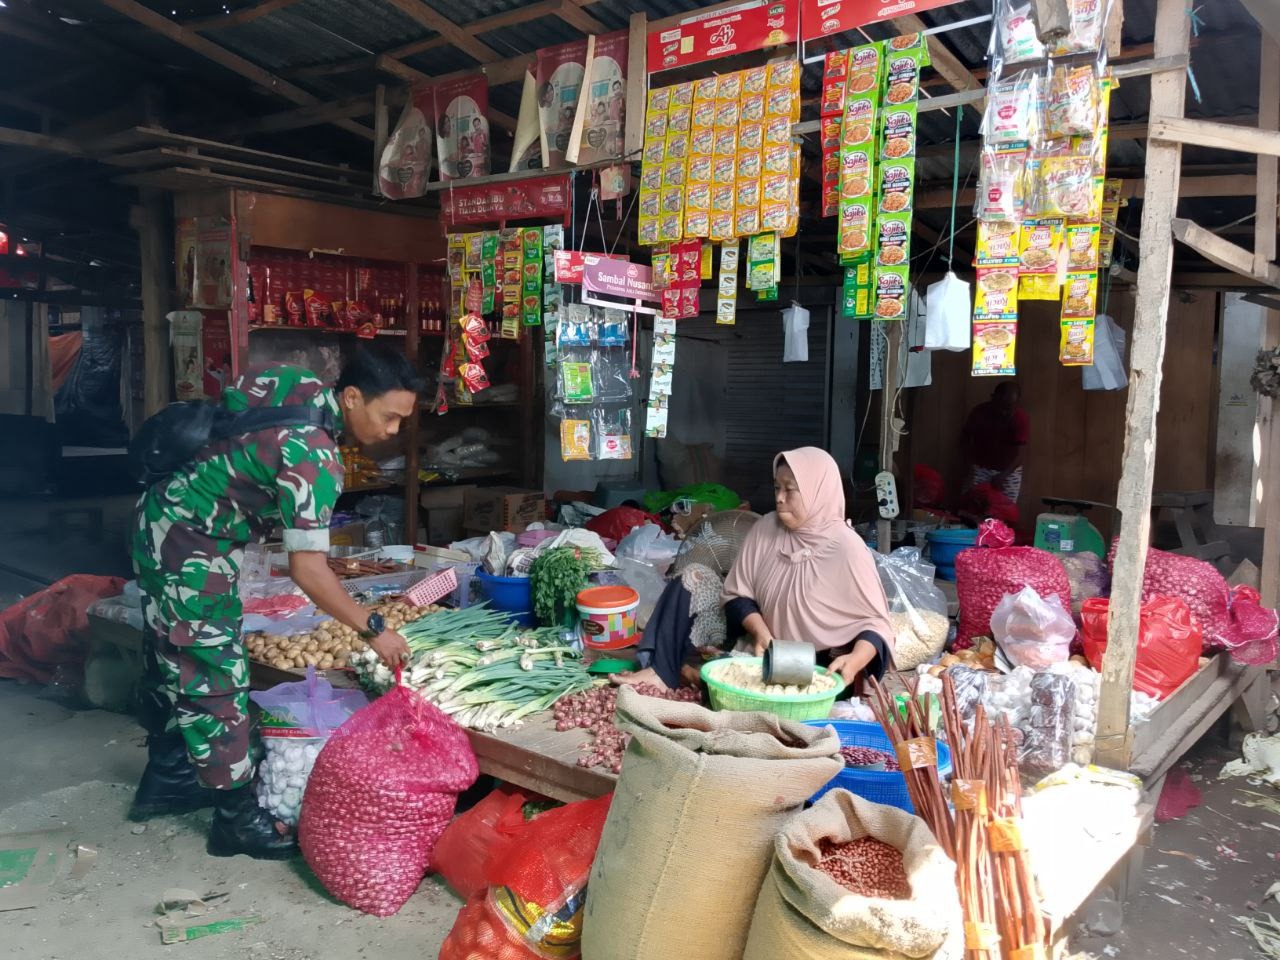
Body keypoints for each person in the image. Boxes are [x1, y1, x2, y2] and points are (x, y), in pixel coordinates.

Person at [129, 347, 421, 859]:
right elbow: (308, 570)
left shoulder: (294, 382)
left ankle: (168, 779)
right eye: (389, 416)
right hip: (192, 544)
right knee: (216, 673)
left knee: (172, 652)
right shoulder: (317, 459)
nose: (393, 430)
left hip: (159, 517)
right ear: (353, 398)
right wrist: (373, 628)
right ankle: (235, 821)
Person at [618, 447, 895, 693]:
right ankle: (661, 672)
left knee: (741, 692)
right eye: (777, 488)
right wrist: (760, 630)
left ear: (817, 492)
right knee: (692, 576)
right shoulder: (766, 528)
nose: (780, 498)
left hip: (819, 665)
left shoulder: (847, 547)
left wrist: (855, 660)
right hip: (760, 648)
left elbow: (876, 624)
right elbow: (737, 595)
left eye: (790, 490)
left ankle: (697, 677)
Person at [961, 380, 1029, 505]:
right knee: (972, 505)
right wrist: (969, 467)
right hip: (980, 468)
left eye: (1009, 408)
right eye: (1002, 407)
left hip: (1009, 470)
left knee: (1006, 509)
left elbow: (1020, 454)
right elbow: (965, 439)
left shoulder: (1020, 417)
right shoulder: (979, 412)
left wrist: (1003, 476)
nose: (1005, 412)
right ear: (993, 398)